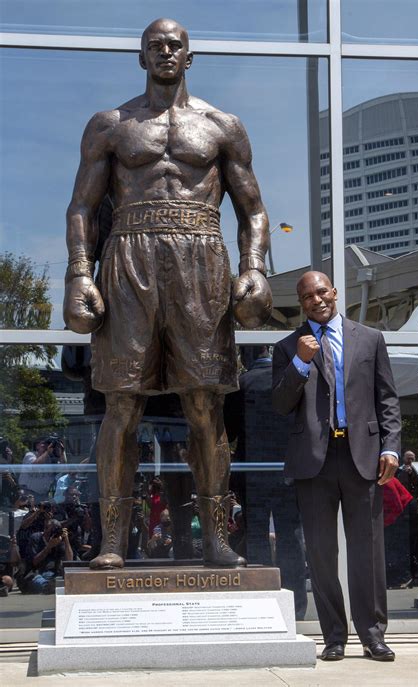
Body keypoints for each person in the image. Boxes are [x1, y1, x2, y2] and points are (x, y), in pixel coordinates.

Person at [63, 17, 271, 570]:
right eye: (154, 46)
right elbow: (82, 207)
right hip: (129, 256)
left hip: (201, 256)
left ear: (190, 56)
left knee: (205, 403)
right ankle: (111, 539)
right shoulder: (110, 125)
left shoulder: (223, 126)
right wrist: (79, 273)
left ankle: (216, 538)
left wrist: (253, 266)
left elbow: (253, 209)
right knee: (121, 404)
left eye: (174, 45)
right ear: (140, 57)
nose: (165, 52)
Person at [272, 271, 401, 662]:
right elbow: (280, 405)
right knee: (322, 553)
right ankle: (334, 637)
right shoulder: (287, 347)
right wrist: (300, 362)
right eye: (307, 296)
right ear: (301, 302)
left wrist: (391, 448)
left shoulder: (369, 338)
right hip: (315, 462)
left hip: (362, 456)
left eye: (321, 291)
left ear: (334, 292)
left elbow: (388, 399)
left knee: (368, 551)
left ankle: (373, 634)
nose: (316, 300)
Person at [225, 345, 308, 620]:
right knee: (291, 534)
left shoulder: (242, 384)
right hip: (289, 467)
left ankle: (260, 598)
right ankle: (295, 605)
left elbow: (231, 429)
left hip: (253, 471)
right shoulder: (288, 379)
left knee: (257, 533)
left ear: (245, 356)